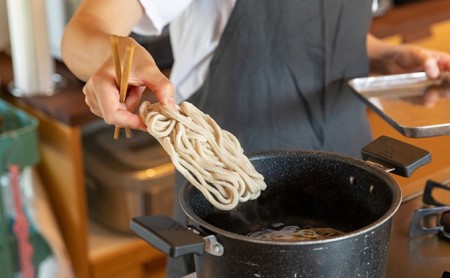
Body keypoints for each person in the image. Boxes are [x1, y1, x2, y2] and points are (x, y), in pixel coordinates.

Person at [61, 1, 450, 277]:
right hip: (228, 179)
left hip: (346, 145)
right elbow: (88, 25)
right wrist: (110, 59)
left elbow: (316, 25)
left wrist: (387, 56)